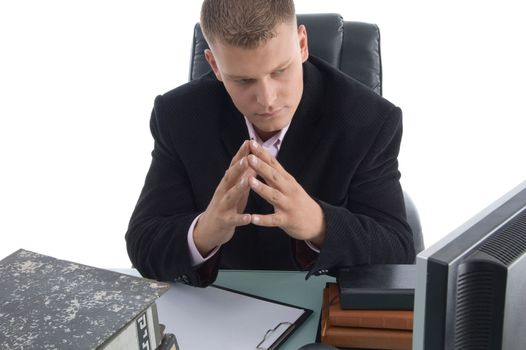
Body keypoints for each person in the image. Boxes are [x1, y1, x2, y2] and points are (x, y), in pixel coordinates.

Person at [125, 0, 415, 287]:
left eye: (280, 71)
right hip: (217, 304)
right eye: (243, 81)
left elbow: (397, 250)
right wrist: (204, 232)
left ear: (302, 44)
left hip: (324, 304)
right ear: (214, 66)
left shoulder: (370, 121)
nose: (267, 100)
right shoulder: (178, 116)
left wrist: (319, 224)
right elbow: (143, 243)